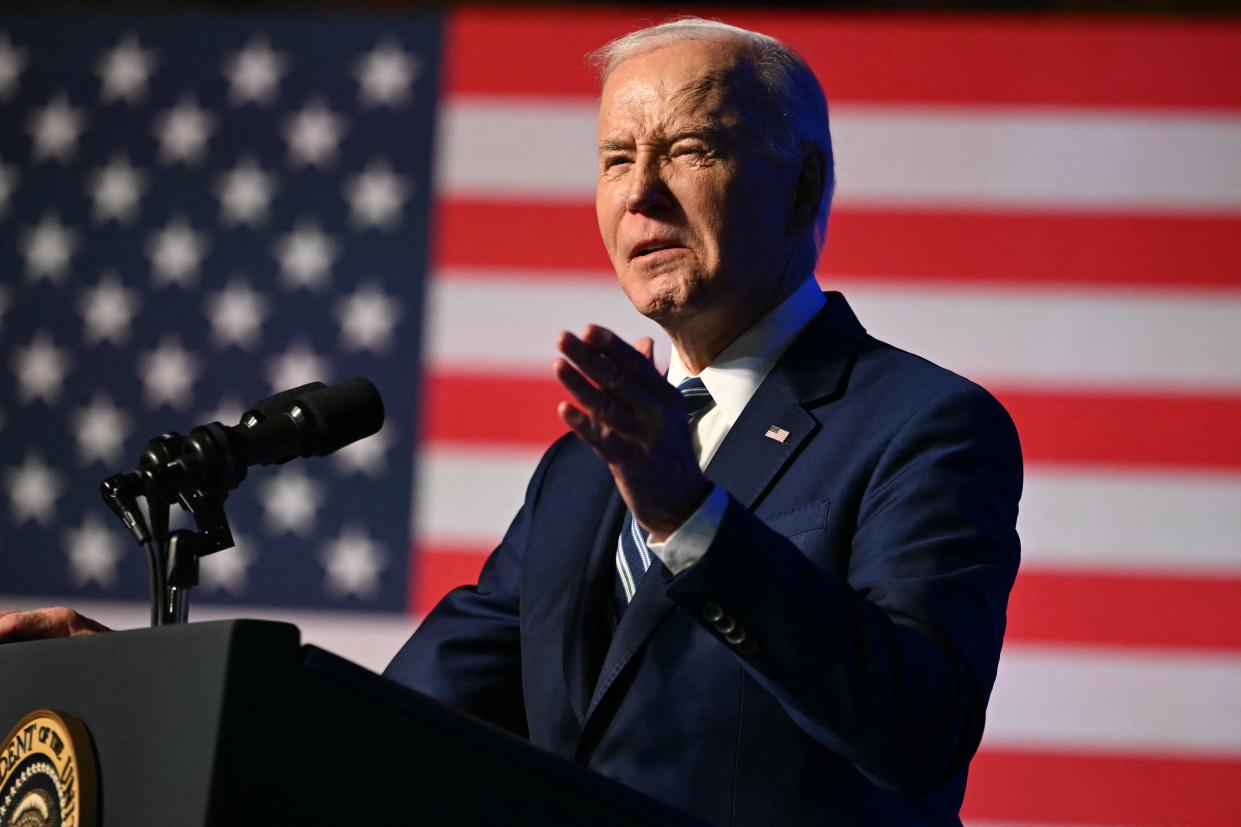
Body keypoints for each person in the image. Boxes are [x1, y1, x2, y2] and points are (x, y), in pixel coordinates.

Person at [2, 19, 1021, 825]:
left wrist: (690, 516)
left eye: (687, 147)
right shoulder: (581, 470)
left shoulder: (925, 427)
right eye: (615, 156)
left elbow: (913, 726)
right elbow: (391, 728)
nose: (640, 191)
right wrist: (155, 683)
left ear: (800, 185)